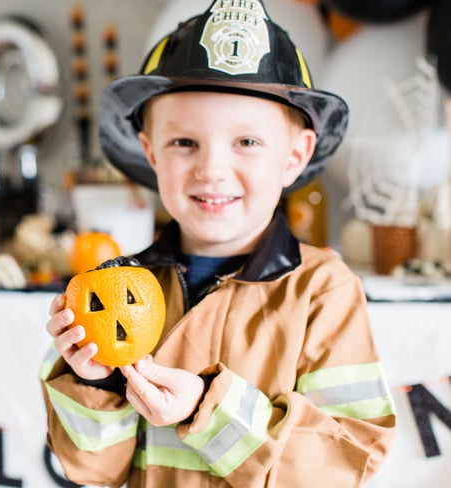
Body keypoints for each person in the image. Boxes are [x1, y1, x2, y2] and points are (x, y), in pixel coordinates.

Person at [40, 1, 396, 486]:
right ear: (151, 152)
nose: (211, 170)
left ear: (295, 156)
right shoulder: (113, 291)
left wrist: (207, 407)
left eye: (246, 142)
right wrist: (93, 380)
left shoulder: (322, 291)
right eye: (184, 143)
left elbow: (345, 463)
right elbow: (91, 469)